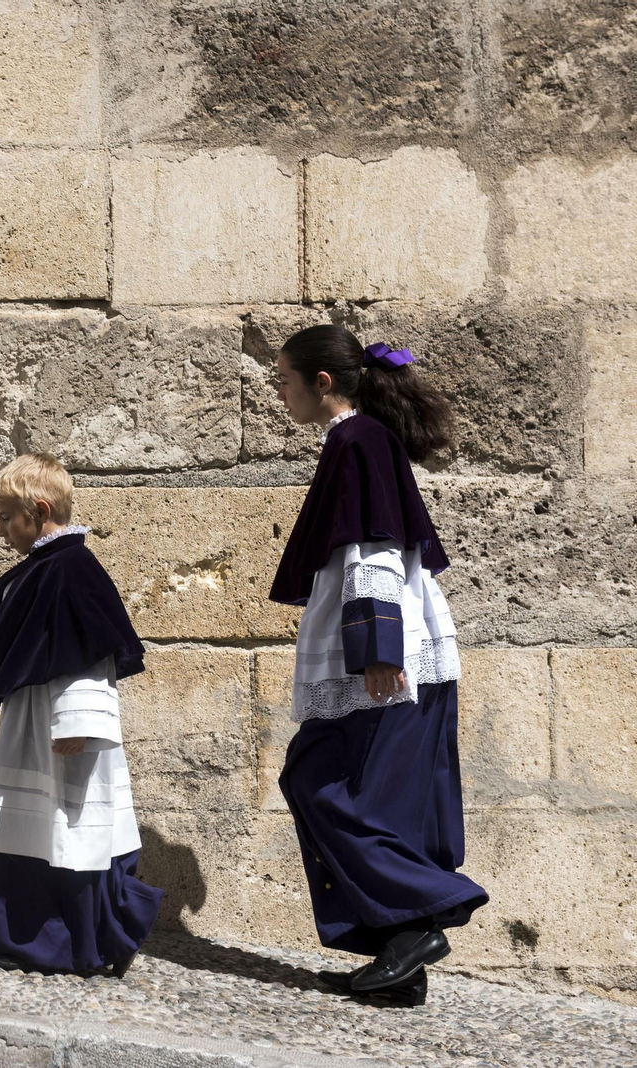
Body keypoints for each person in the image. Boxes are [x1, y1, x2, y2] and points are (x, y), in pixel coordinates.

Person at [269, 325, 488, 1007]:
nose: (280, 391)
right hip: (396, 662)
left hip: (388, 667)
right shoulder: (361, 440)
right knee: (381, 809)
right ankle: (401, 960)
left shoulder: (356, 440)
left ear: (322, 382)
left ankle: (427, 911)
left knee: (320, 782)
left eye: (285, 378)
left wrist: (378, 649)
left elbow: (376, 549)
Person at [0, 455, 162, 976]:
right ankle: (20, 938)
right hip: (34, 718)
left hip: (61, 726)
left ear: (40, 509)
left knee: (67, 829)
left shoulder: (72, 567)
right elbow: (9, 625)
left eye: (8, 516)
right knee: (29, 826)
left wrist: (80, 722)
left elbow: (92, 650)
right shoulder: (45, 566)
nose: (2, 528)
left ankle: (67, 944)